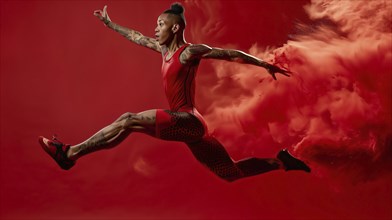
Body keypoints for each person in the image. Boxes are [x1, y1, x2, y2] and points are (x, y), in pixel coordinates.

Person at [39, 3, 310, 182]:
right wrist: (111, 25)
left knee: (128, 120)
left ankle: (69, 154)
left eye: (161, 24)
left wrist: (263, 64)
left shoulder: (188, 51)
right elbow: (136, 36)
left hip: (187, 120)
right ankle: (281, 162)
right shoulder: (163, 50)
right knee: (230, 173)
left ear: (176, 27)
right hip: (193, 128)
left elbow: (227, 53)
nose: (155, 28)